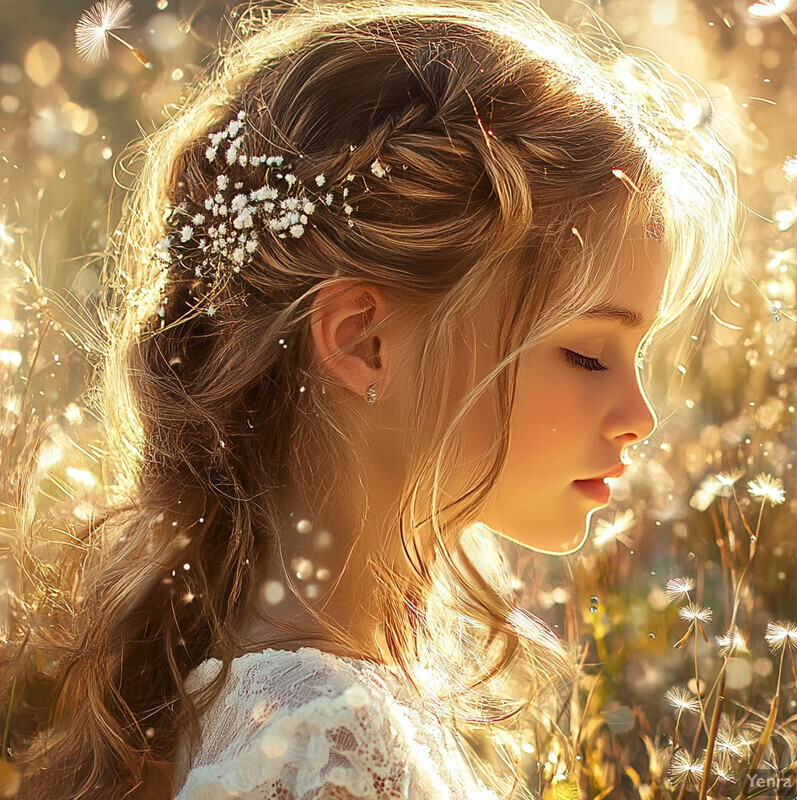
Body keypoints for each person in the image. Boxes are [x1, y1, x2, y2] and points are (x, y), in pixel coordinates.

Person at [1, 0, 739, 798]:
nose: (641, 415)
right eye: (588, 353)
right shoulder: (328, 752)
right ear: (361, 342)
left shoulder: (266, 695)